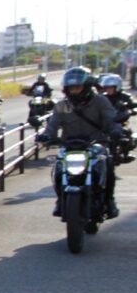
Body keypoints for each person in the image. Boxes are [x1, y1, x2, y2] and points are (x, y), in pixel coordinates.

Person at [37, 67, 123, 218]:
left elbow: (112, 119)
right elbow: (52, 124)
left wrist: (116, 130)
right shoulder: (62, 105)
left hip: (96, 144)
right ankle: (60, 199)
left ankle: (109, 201)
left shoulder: (100, 101)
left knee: (108, 166)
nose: (74, 91)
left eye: (77, 87)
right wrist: (45, 136)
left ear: (87, 86)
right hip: (70, 146)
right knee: (58, 170)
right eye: (71, 88)